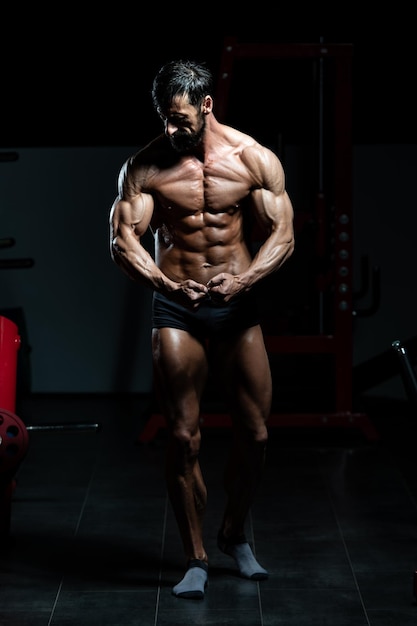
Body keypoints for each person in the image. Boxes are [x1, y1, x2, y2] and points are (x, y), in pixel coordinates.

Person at [109, 59, 295, 600]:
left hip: (237, 304)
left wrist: (246, 281)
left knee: (256, 434)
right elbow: (122, 242)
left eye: (180, 119)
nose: (171, 130)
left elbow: (283, 234)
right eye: (165, 119)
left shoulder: (253, 159)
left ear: (206, 105)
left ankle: (234, 533)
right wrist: (165, 287)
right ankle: (195, 557)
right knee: (184, 436)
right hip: (177, 306)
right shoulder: (144, 167)